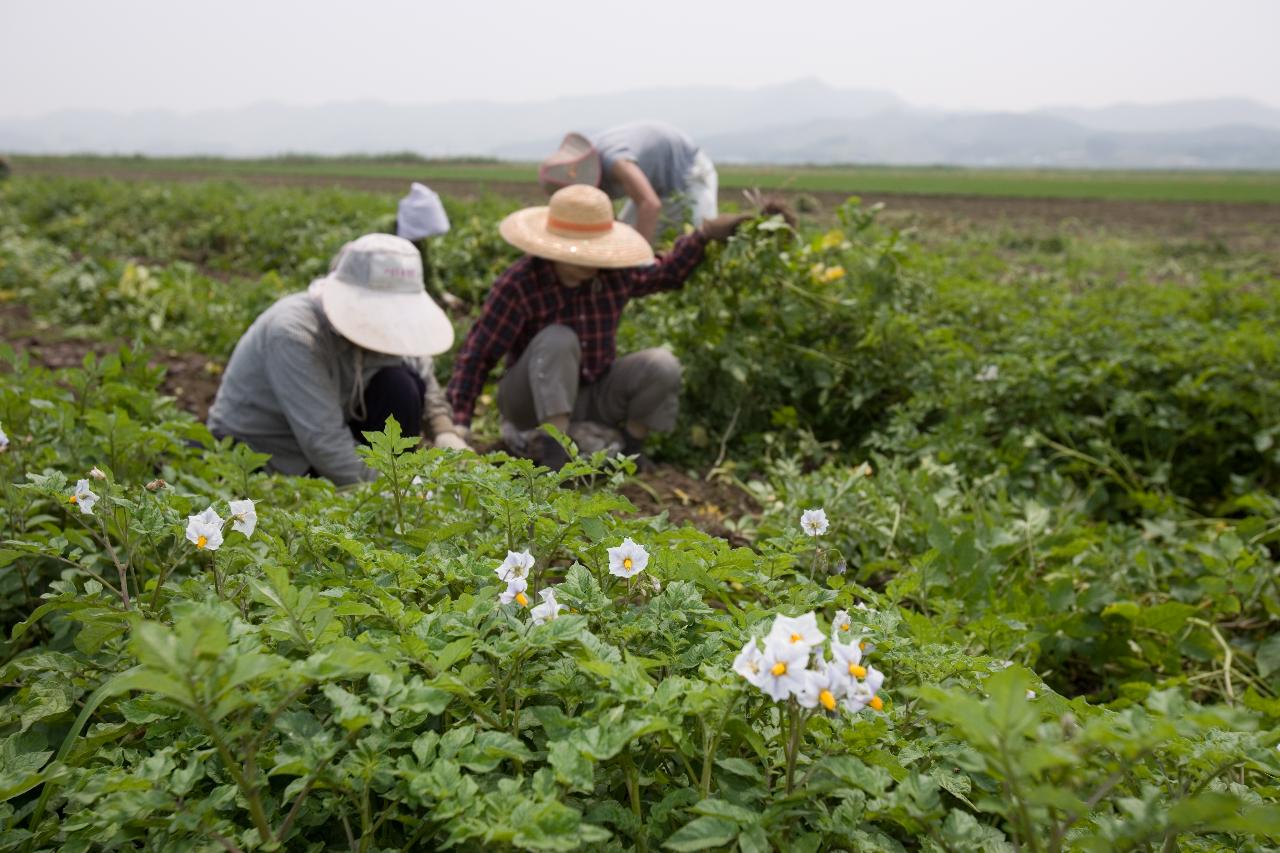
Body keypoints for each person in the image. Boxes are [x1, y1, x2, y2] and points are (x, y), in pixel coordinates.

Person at [445, 184, 749, 471]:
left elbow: (666, 274)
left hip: (592, 393)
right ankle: (555, 454)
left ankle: (631, 452)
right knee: (558, 338)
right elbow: (479, 353)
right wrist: (459, 423)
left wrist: (705, 234)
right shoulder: (521, 283)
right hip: (531, 401)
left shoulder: (612, 275)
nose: (592, 261)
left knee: (661, 364)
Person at [207, 233, 469, 485]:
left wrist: (443, 430)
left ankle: (377, 485)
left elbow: (420, 365)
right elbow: (323, 441)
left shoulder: (388, 329)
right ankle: (370, 493)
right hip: (268, 454)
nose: (390, 324)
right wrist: (403, 491)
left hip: (332, 427)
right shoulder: (295, 333)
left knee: (402, 386)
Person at [539, 122, 717, 245]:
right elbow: (608, 220)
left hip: (688, 172)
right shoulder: (587, 166)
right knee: (626, 236)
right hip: (652, 184)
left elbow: (650, 204)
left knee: (697, 239)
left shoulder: (615, 160)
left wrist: (638, 265)